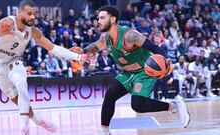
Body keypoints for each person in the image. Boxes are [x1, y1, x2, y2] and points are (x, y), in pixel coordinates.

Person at [70, 5, 190, 135]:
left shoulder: (130, 35)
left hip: (146, 71)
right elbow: (94, 47)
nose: (98, 21)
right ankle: (104, 131)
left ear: (112, 19)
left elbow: (154, 48)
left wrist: (167, 60)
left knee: (137, 105)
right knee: (110, 95)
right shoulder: (105, 39)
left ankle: (173, 106)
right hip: (128, 72)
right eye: (98, 18)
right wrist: (82, 51)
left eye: (102, 18)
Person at [0, 0, 88, 134]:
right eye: (29, 14)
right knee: (18, 100)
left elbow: (53, 48)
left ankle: (23, 128)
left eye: (35, 14)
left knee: (21, 83)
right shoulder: (8, 22)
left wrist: (78, 57)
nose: (33, 17)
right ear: (19, 13)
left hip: (13, 61)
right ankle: (37, 120)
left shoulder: (33, 31)